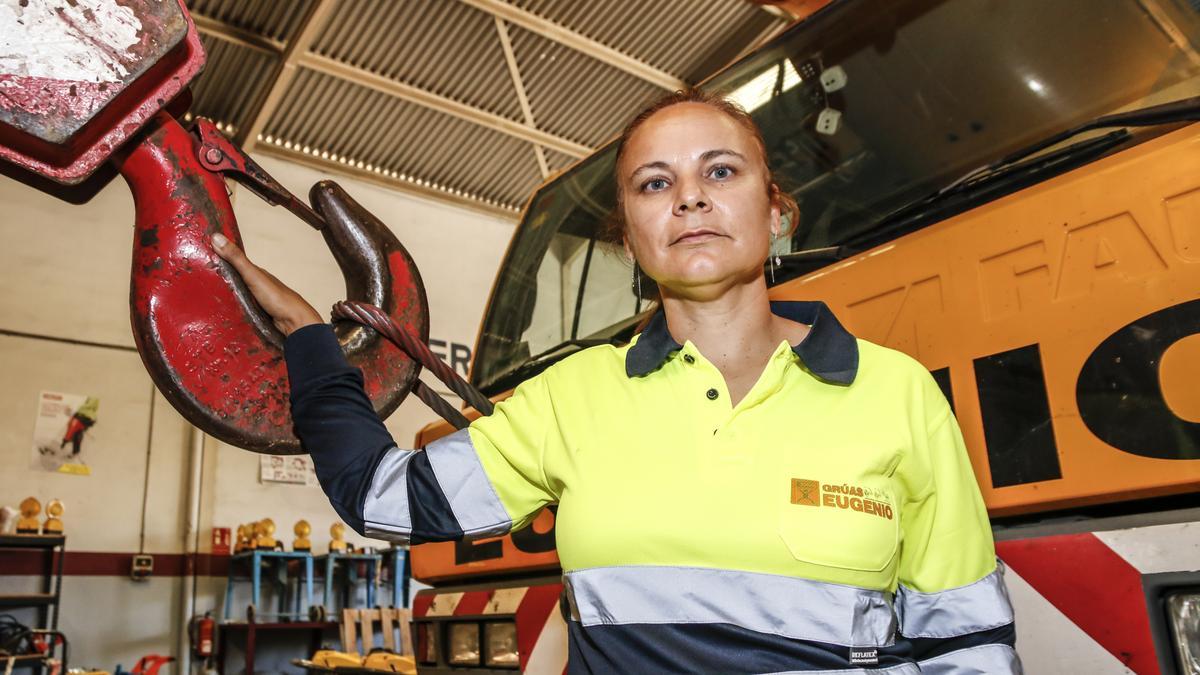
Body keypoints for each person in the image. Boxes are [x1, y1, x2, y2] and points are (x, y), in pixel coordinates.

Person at [212, 89, 1021, 674]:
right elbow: (380, 495)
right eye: (655, 183)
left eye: (722, 171)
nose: (691, 196)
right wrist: (310, 340)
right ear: (631, 241)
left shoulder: (897, 391)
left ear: (777, 212)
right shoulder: (572, 397)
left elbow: (968, 642)